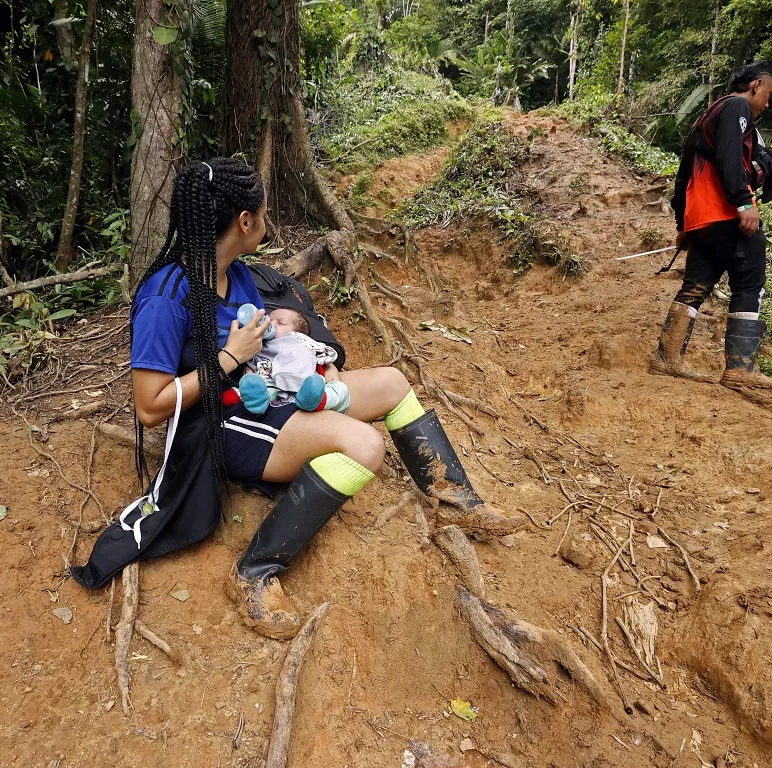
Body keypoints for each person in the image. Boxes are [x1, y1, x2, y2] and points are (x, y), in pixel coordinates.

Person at [126, 158, 523, 640]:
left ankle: (456, 499)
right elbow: (150, 408)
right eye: (264, 213)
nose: (267, 222)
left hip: (270, 390)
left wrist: (323, 365)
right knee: (365, 446)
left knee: (394, 384)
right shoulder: (166, 296)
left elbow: (273, 344)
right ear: (245, 221)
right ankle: (253, 572)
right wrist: (231, 357)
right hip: (219, 419)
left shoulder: (239, 276)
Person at [652, 60, 772, 390]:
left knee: (695, 285)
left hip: (701, 220)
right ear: (755, 86)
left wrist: (683, 220)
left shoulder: (707, 115)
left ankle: (667, 358)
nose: (767, 104)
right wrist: (743, 202)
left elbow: (685, 171)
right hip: (726, 215)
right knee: (749, 284)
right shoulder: (737, 106)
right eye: (768, 94)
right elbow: (729, 157)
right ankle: (740, 368)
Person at [235, 306, 351, 415]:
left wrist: (325, 365)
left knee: (341, 390)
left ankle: (318, 400)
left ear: (297, 332)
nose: (271, 324)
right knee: (258, 385)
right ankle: (259, 402)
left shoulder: (300, 340)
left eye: (280, 323)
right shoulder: (259, 345)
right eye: (269, 320)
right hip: (273, 386)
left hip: (309, 384)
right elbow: (250, 365)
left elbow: (322, 354)